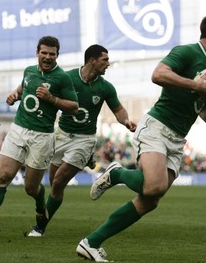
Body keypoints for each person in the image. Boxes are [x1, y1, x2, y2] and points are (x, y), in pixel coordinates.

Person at [76, 13, 206, 262]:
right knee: (154, 186)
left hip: (177, 140)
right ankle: (118, 173)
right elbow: (158, 74)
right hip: (157, 127)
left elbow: (205, 109)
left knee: (151, 200)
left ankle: (91, 242)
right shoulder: (186, 53)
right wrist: (195, 85)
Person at [0, 36, 79, 238]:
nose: (47, 57)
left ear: (57, 55)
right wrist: (14, 95)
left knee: (30, 188)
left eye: (52, 54)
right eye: (44, 53)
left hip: (42, 136)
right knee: (3, 176)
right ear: (37, 52)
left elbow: (74, 107)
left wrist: (52, 99)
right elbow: (23, 88)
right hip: (19, 130)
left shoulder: (62, 78)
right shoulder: (29, 71)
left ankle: (40, 205)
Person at [27, 44, 137, 237]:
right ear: (92, 60)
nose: (108, 64)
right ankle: (84, 160)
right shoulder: (67, 78)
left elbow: (118, 109)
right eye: (105, 60)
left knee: (59, 182)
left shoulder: (105, 87)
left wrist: (126, 120)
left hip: (84, 138)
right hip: (61, 135)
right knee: (54, 183)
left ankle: (40, 227)